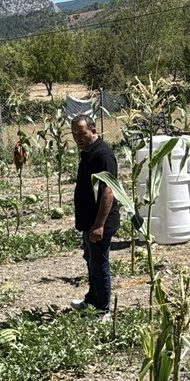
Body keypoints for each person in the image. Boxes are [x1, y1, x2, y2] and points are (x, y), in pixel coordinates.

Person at [69, 114, 119, 316]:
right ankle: (92, 300)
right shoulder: (88, 152)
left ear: (93, 131)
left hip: (100, 222)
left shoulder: (103, 155)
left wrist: (98, 225)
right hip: (89, 221)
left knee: (99, 265)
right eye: (74, 134)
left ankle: (103, 310)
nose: (78, 138)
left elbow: (108, 192)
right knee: (91, 261)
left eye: (81, 133)